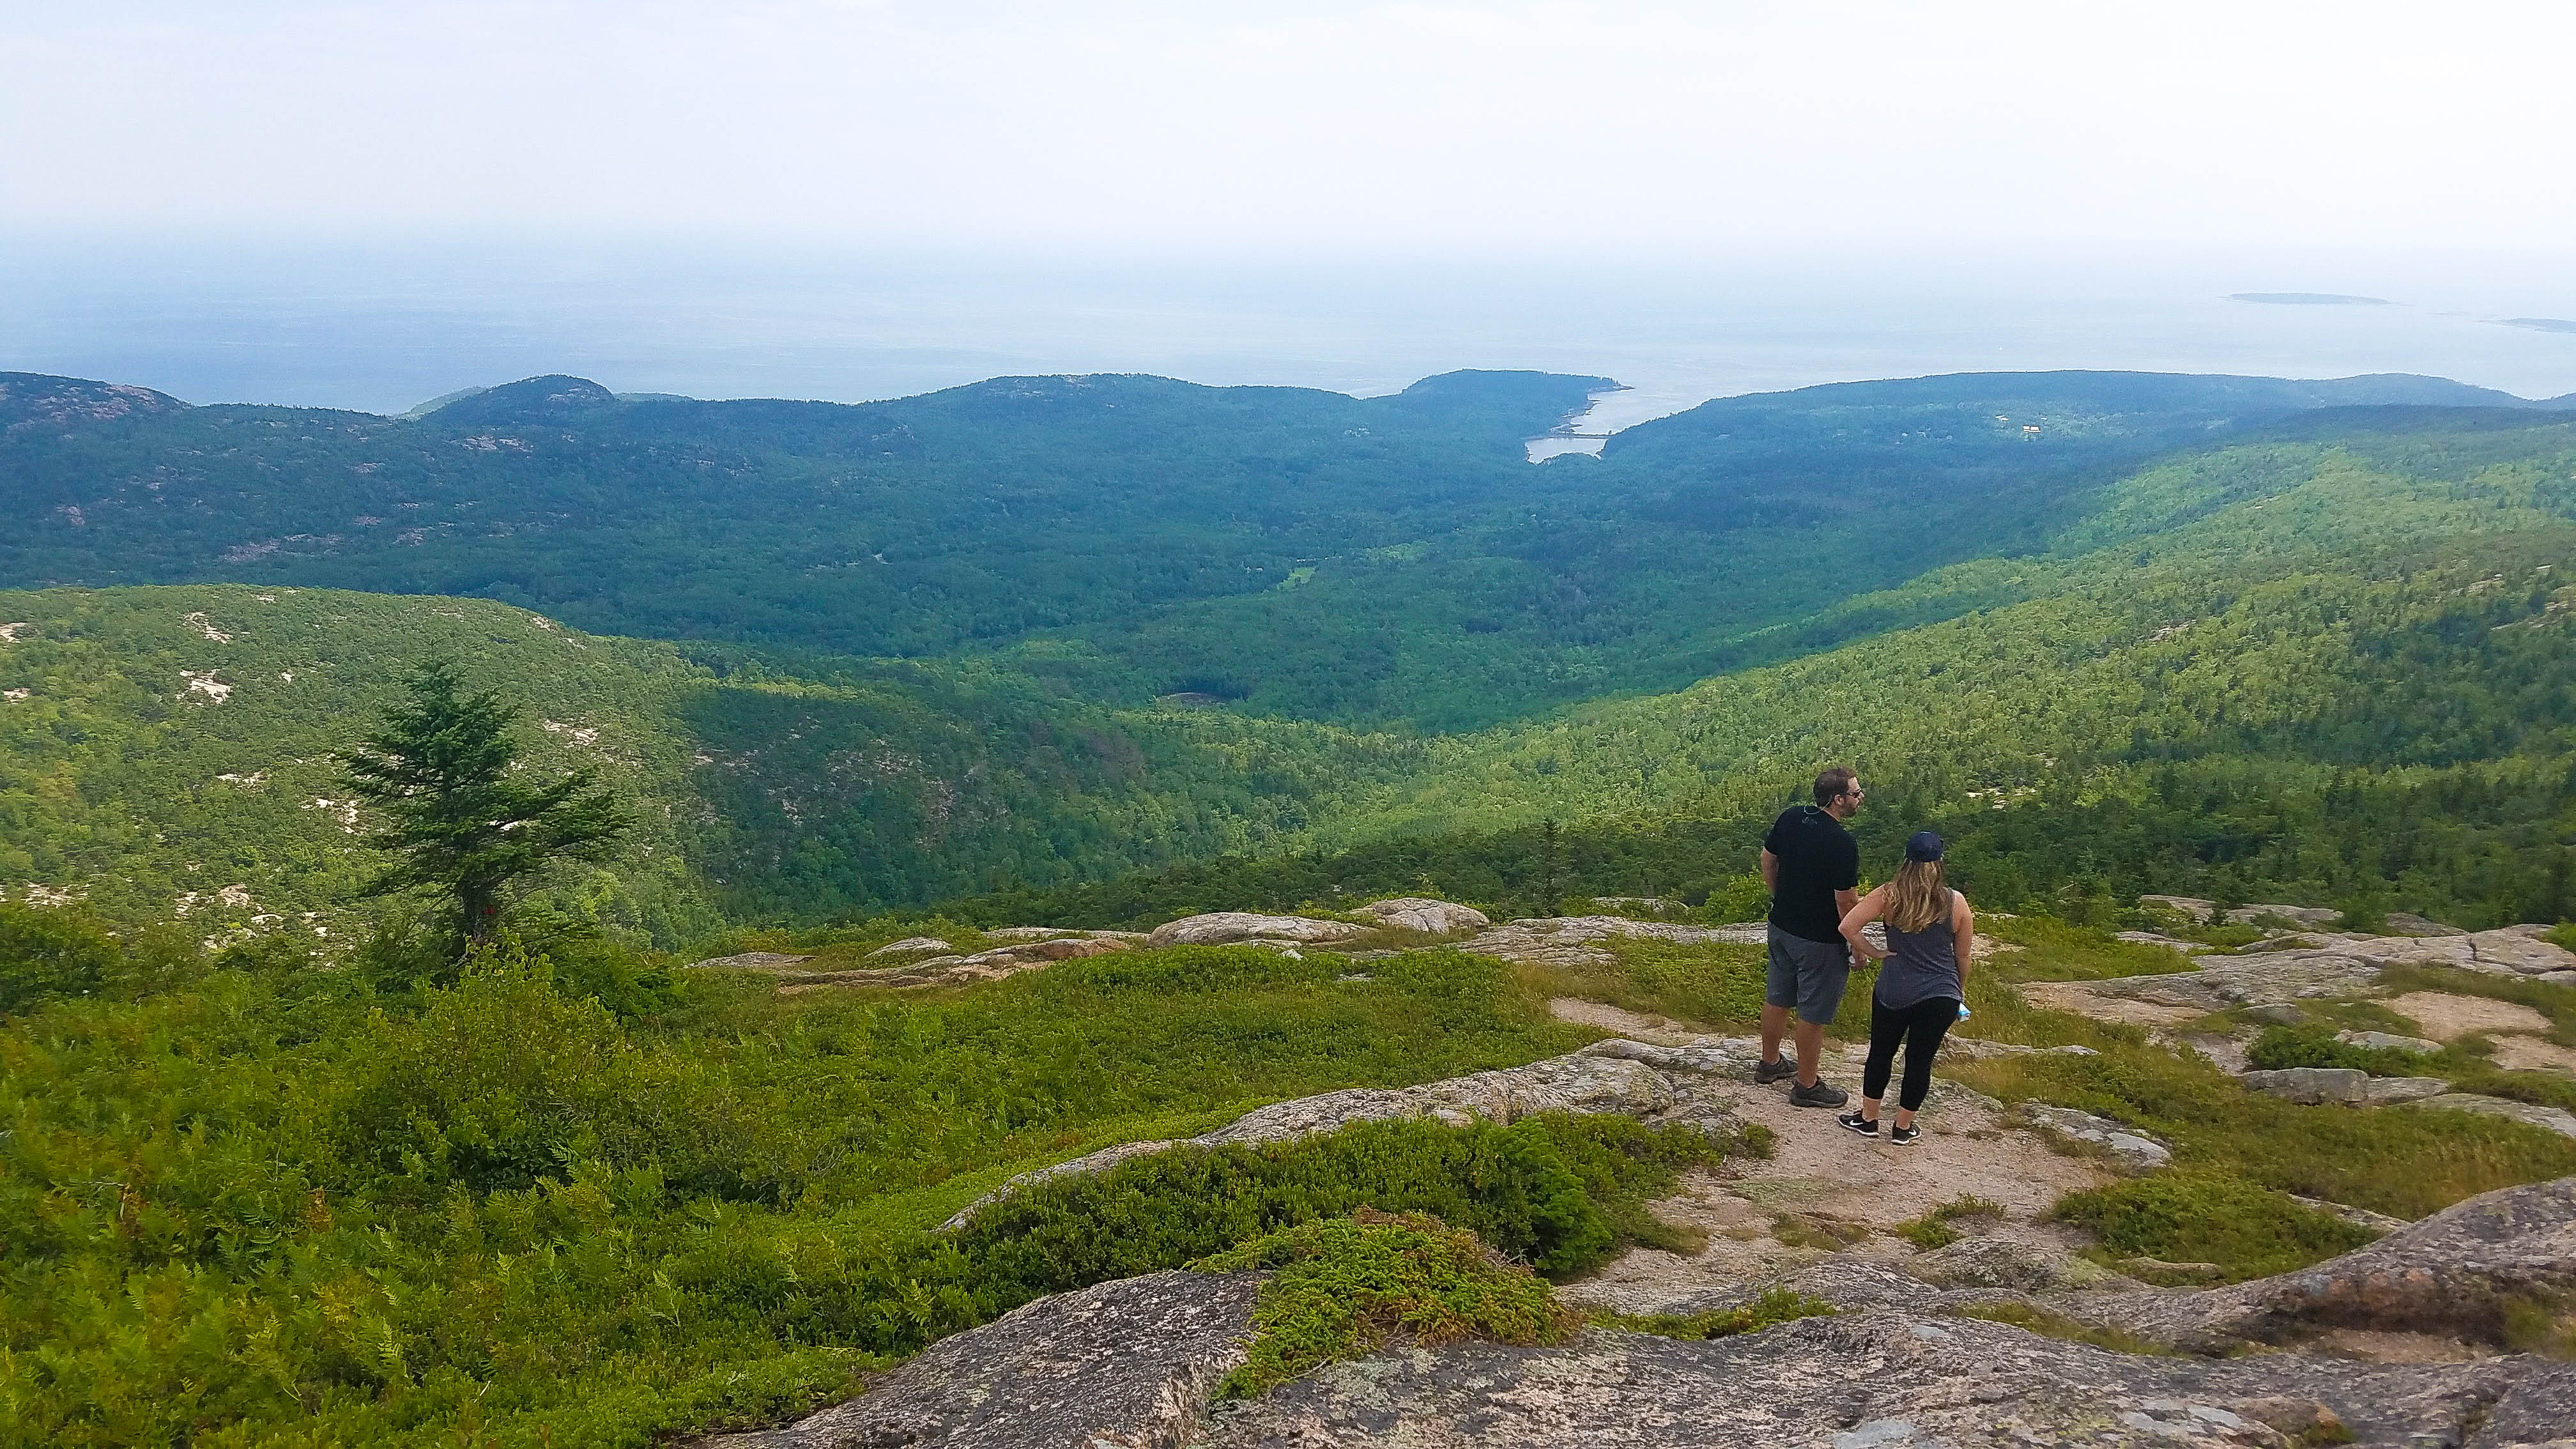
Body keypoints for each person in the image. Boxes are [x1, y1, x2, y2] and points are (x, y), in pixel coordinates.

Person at [1835, 830, 1973, 1146]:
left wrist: (1875, 952)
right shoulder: (1956, 902)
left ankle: (1869, 1119)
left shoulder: (1888, 895)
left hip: (1894, 989)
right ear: (1939, 862)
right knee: (1920, 1060)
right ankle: (1902, 1128)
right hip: (1940, 994)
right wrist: (1958, 991)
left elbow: (1847, 926)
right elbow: (1962, 956)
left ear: (1906, 861)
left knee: (1881, 1054)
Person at [1755, 767, 1864, 1108]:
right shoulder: (1842, 843)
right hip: (1820, 939)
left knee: (1778, 997)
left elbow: (1767, 860)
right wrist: (1857, 945)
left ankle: (1770, 1064)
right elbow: (1845, 900)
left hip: (1782, 926)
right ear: (1838, 799)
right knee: (1813, 1014)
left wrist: (1779, 898)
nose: (1860, 799)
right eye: (1856, 793)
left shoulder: (1791, 817)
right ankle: (1806, 1085)